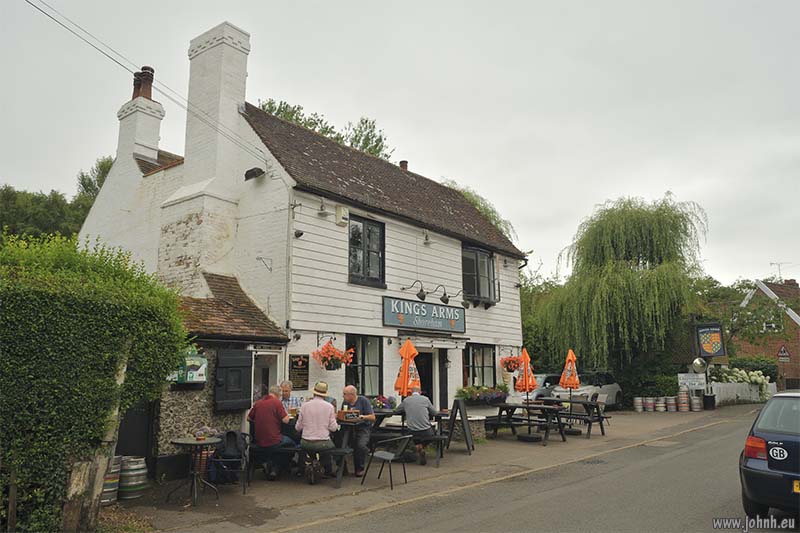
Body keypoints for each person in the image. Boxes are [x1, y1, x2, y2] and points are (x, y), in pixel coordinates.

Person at [247, 385, 294, 480]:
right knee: (292, 444)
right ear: (278, 394)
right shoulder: (277, 402)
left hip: (258, 440)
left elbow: (248, 418)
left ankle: (269, 463)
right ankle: (277, 467)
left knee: (275, 445)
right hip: (274, 439)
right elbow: (286, 420)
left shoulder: (258, 403)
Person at [296, 381, 339, 478]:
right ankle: (327, 469)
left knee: (306, 448)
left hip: (305, 442)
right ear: (324, 394)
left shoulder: (304, 406)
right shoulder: (329, 407)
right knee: (330, 446)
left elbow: (298, 427)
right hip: (323, 442)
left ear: (314, 393)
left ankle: (304, 467)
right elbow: (333, 428)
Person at [396, 386, 437, 465]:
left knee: (413, 432)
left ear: (411, 392)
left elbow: (397, 410)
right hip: (426, 431)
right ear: (420, 392)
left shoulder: (406, 400)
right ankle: (422, 446)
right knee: (433, 434)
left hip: (412, 431)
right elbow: (434, 413)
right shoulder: (425, 399)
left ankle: (418, 446)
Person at [341, 385, 376, 476]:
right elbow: (343, 414)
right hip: (348, 428)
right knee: (339, 444)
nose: (343, 396)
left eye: (344, 394)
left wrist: (362, 417)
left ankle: (359, 468)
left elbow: (372, 417)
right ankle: (342, 468)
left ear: (351, 395)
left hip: (363, 427)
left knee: (360, 445)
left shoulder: (363, 401)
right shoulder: (345, 403)